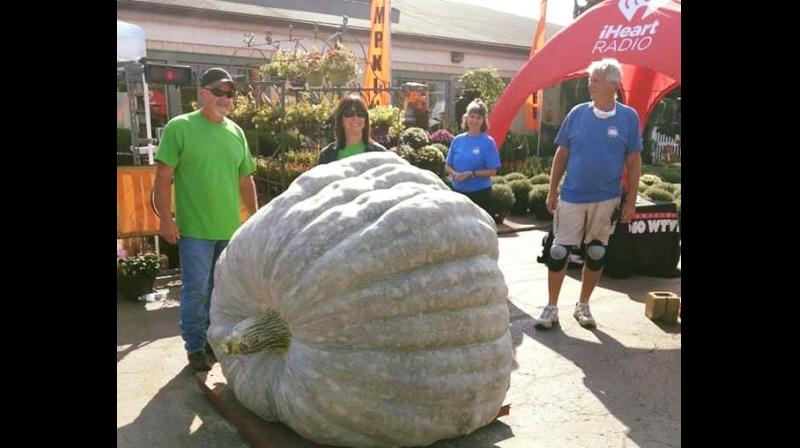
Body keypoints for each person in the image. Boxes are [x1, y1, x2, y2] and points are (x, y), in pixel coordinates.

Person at [153, 67, 258, 372]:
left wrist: (255, 216)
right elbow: (162, 178)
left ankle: (214, 341)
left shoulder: (236, 132)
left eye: (229, 93)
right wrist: (165, 218)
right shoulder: (180, 127)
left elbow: (245, 180)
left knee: (221, 292)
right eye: (218, 92)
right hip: (196, 230)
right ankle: (195, 346)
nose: (225, 98)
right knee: (196, 289)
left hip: (229, 230)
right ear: (201, 93)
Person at [535, 58, 642, 330]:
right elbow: (562, 154)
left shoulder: (628, 117)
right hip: (572, 195)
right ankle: (551, 308)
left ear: (613, 84)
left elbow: (633, 162)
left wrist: (631, 201)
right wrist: (551, 190)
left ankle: (583, 306)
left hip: (607, 198)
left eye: (595, 80)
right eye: (590, 80)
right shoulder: (577, 113)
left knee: (595, 252)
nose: (589, 84)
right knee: (558, 251)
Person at [444, 98, 501, 214]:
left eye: (478, 118)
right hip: (457, 193)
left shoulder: (488, 142)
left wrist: (472, 174)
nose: (474, 120)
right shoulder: (457, 140)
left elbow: (492, 171)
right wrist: (454, 174)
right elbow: (447, 165)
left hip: (480, 194)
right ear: (466, 118)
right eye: (472, 116)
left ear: (483, 121)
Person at [318, 94, 387, 164]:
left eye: (361, 114)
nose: (355, 118)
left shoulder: (379, 153)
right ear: (341, 120)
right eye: (349, 113)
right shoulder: (326, 155)